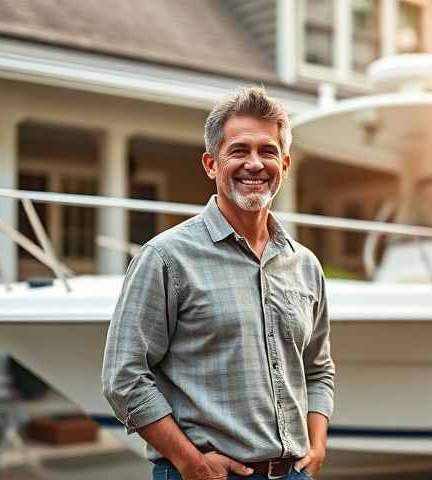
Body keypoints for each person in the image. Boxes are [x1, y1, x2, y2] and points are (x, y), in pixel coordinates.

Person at [101, 86, 335, 480]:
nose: (255, 164)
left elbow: (318, 369)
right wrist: (191, 463)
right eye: (239, 151)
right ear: (211, 164)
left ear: (286, 164)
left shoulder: (306, 265)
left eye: (268, 151)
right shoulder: (165, 258)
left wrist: (317, 445)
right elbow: (123, 377)